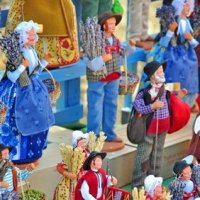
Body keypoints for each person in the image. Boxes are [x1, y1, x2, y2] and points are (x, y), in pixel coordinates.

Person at [0, 20, 54, 164]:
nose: (33, 38)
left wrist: (45, 61)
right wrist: (22, 66)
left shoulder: (32, 51)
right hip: (17, 90)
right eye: (30, 36)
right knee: (15, 119)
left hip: (32, 87)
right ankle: (15, 154)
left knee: (40, 114)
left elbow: (35, 72)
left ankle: (33, 151)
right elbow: (12, 77)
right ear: (22, 37)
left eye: (33, 35)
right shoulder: (15, 54)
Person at [132, 60, 189, 188]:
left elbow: (172, 98)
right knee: (143, 157)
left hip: (163, 126)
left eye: (162, 71)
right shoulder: (145, 92)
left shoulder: (166, 87)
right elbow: (138, 106)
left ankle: (155, 184)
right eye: (159, 71)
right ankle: (138, 185)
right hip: (148, 128)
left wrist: (179, 95)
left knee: (158, 155)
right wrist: (152, 106)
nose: (162, 73)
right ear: (152, 75)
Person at [84, 11, 135, 143]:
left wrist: (130, 47)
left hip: (114, 76)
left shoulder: (116, 40)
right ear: (103, 25)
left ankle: (109, 133)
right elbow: (88, 60)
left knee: (111, 105)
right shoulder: (94, 40)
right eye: (110, 23)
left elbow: (123, 53)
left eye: (114, 23)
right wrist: (102, 59)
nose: (113, 26)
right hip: (98, 78)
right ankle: (93, 136)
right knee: (95, 106)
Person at [152, 0, 199, 106]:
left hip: (187, 55)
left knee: (189, 69)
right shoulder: (171, 22)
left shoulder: (189, 23)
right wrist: (170, 31)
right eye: (185, 6)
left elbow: (194, 43)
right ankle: (171, 98)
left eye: (188, 6)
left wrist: (191, 39)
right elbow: (163, 42)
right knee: (174, 69)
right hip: (173, 54)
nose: (187, 8)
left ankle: (186, 100)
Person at [54, 131, 90, 200]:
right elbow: (59, 167)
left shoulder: (87, 153)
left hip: (85, 179)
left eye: (84, 142)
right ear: (76, 144)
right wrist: (67, 174)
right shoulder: (71, 155)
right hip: (74, 180)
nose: (83, 145)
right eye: (81, 143)